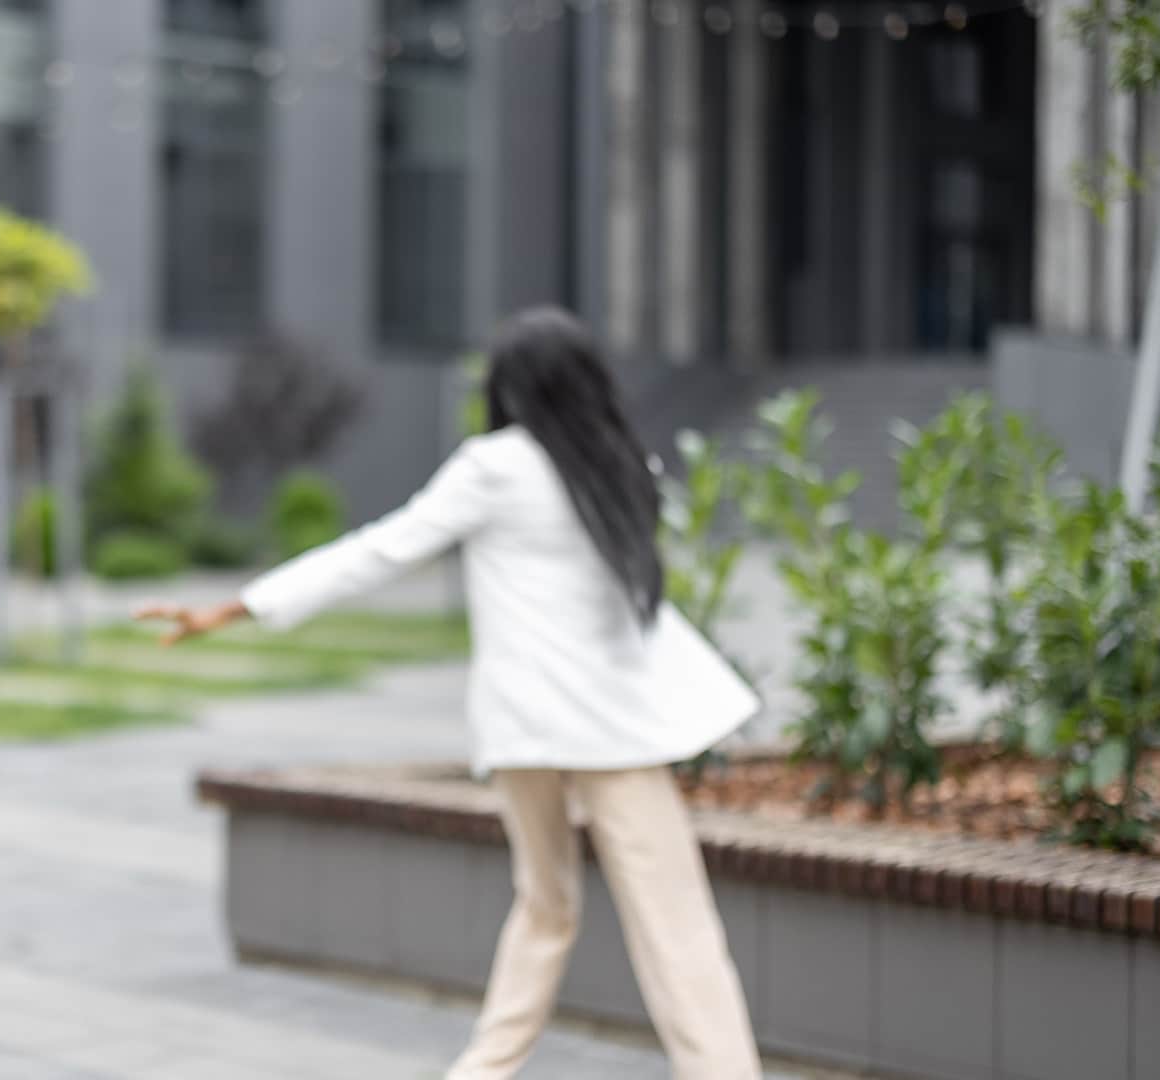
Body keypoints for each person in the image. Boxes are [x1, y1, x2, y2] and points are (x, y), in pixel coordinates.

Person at [141, 307, 764, 1080]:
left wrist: (239, 607)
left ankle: (482, 1073)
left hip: (528, 729)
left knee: (545, 907)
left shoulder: (496, 465)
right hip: (614, 733)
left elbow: (381, 549)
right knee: (675, 924)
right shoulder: (621, 465)